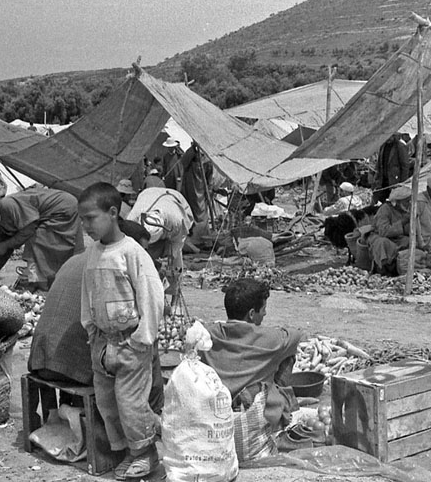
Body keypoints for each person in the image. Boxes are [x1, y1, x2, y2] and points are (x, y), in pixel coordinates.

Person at [28, 217, 164, 416]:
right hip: (72, 367)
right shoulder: (114, 265)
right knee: (145, 343)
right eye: (143, 251)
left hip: (39, 357)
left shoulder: (77, 259)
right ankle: (152, 412)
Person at [77, 182, 164, 480]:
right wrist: (90, 328)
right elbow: (87, 294)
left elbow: (152, 295)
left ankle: (145, 453)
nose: (86, 225)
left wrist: (143, 337)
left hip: (130, 343)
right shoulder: (93, 254)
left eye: (91, 218)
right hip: (102, 344)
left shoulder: (132, 252)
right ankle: (130, 451)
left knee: (131, 403)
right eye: (82, 219)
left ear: (113, 213)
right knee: (108, 404)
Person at [200, 277, 301, 438]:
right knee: (288, 356)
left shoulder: (208, 334)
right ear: (252, 314)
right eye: (264, 309)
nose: (266, 313)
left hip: (215, 411)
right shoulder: (271, 339)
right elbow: (296, 336)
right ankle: (283, 415)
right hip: (251, 415)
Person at [0, 187, 80, 291]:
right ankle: (37, 281)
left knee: (37, 242)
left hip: (62, 207)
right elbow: (1, 252)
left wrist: (6, 245)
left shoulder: (7, 205)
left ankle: (40, 283)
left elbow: (30, 228)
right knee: (34, 247)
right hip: (50, 214)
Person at [126, 186, 195, 275]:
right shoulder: (132, 219)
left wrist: (171, 260)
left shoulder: (176, 222)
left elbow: (177, 244)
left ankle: (176, 281)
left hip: (174, 198)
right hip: (148, 194)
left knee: (175, 259)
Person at [368, 186, 412, 275]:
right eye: (407, 201)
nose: (409, 203)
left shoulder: (407, 209)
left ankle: (401, 268)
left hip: (398, 238)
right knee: (382, 243)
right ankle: (383, 270)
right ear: (398, 202)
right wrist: (403, 222)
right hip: (381, 237)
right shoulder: (385, 209)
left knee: (409, 242)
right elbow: (383, 231)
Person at [179, 142, 212, 229]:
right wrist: (193, 148)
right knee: (190, 210)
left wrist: (209, 189)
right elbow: (184, 162)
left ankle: (201, 232)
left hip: (201, 190)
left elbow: (209, 177)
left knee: (201, 212)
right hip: (190, 189)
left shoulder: (207, 161)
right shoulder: (190, 159)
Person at [373, 133, 411, 204]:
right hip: (383, 181)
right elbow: (379, 163)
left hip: (394, 181)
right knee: (381, 202)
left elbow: (405, 166)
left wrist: (402, 183)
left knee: (393, 203)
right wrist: (376, 177)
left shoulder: (400, 147)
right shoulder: (383, 146)